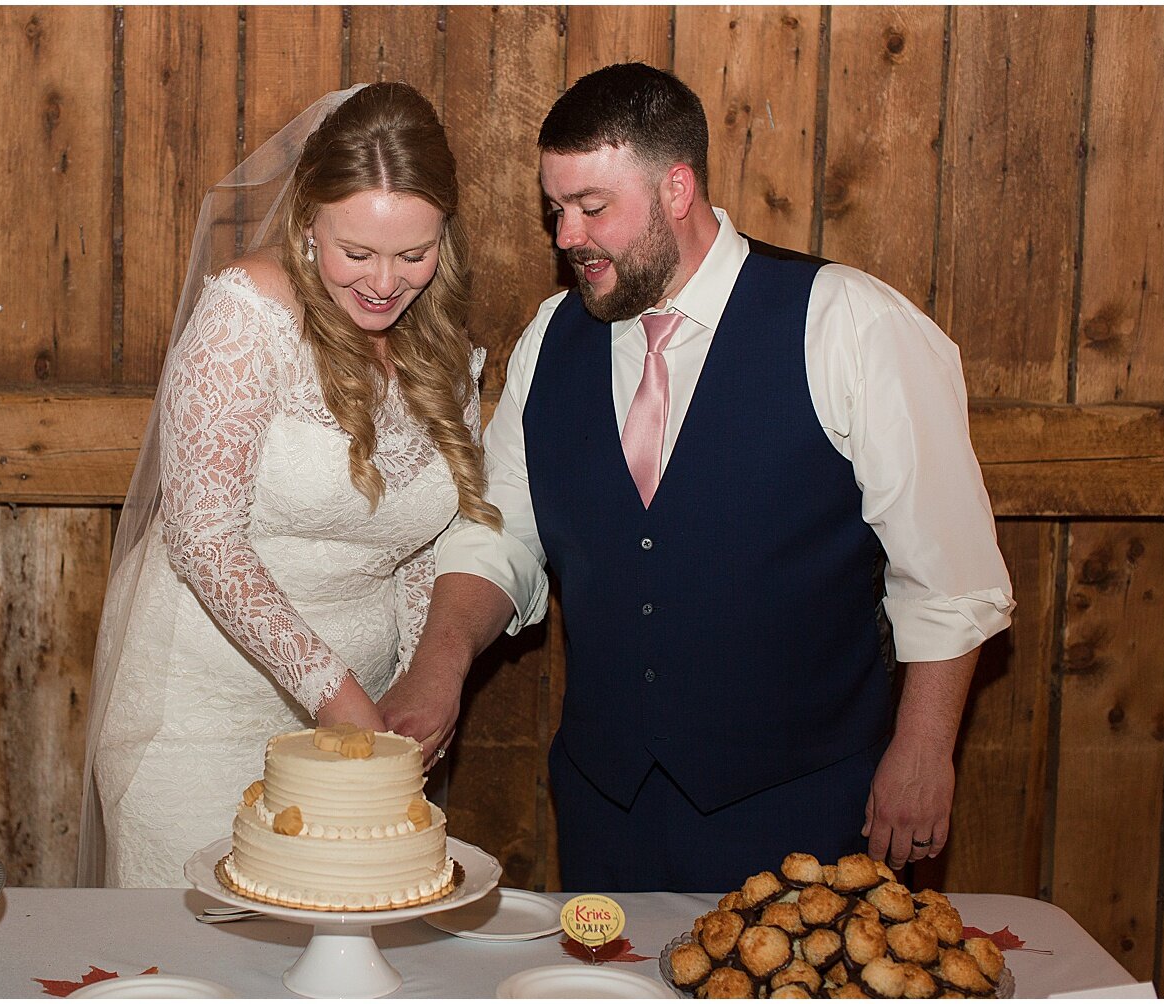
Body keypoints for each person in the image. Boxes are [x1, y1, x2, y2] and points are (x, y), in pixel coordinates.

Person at [379, 63, 1016, 892]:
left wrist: (924, 750)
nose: (567, 235)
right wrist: (437, 666)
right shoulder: (551, 338)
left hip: (810, 811)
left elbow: (948, 574)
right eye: (556, 210)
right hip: (608, 811)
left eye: (593, 208)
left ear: (677, 190)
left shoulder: (851, 324)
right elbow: (498, 532)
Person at [77, 82, 500, 887]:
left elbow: (422, 538)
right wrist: (333, 692)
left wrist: (413, 678)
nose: (384, 282)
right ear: (309, 219)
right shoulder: (248, 313)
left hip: (363, 710)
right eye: (357, 252)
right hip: (199, 713)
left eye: (414, 254)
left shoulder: (441, 343)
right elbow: (203, 537)